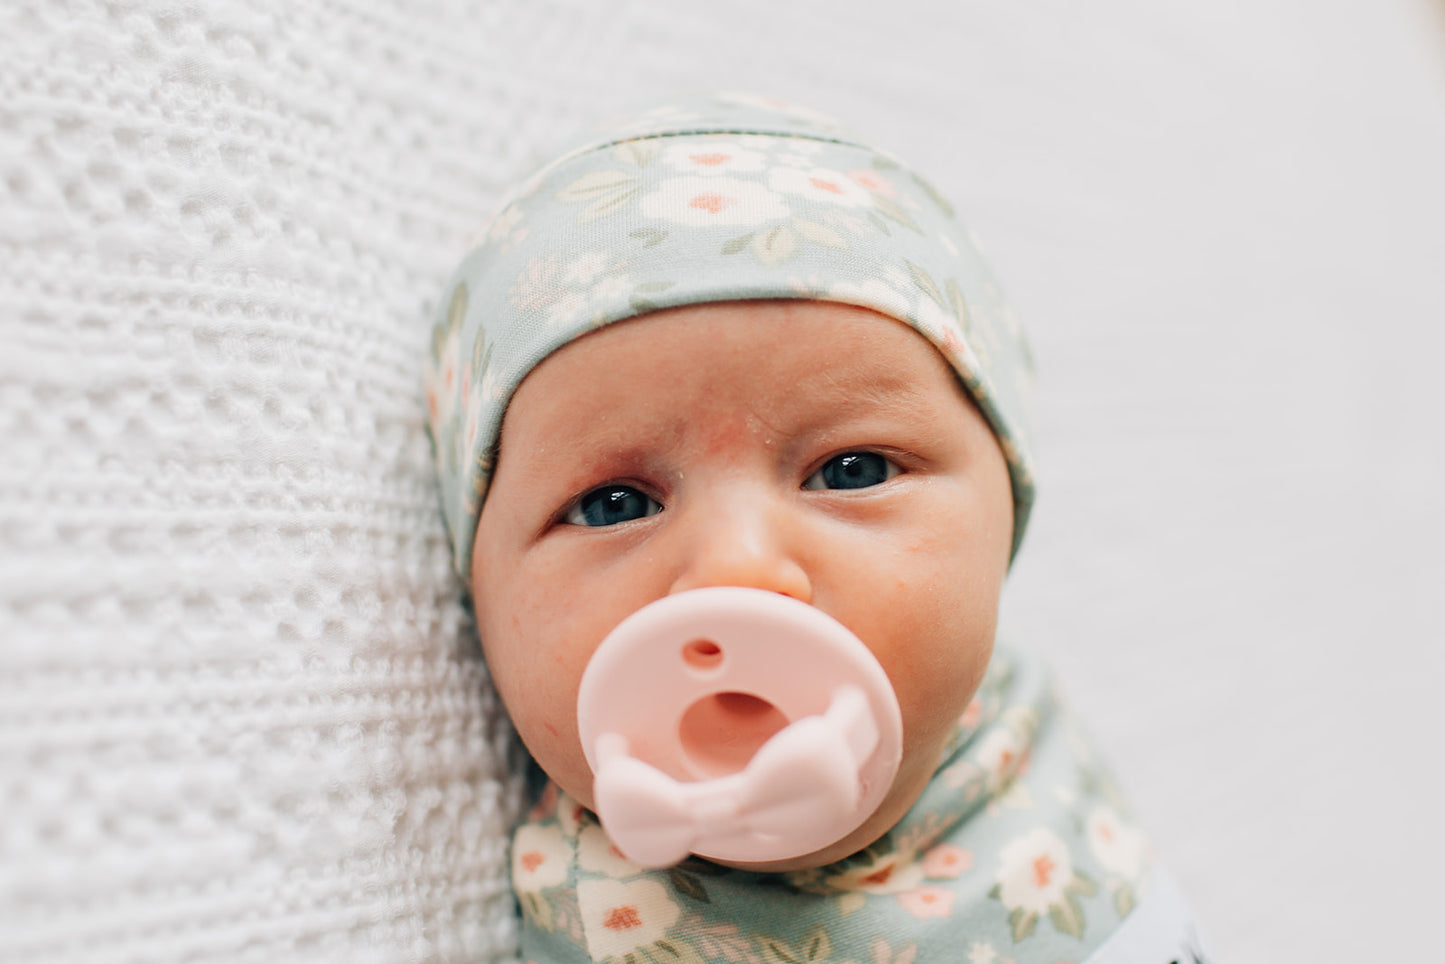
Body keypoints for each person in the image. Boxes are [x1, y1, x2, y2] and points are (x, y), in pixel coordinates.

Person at [425, 93, 1207, 963]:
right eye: (615, 504)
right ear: (476, 591)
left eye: (853, 471)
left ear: (1006, 521)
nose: (734, 571)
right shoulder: (579, 921)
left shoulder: (1044, 786)